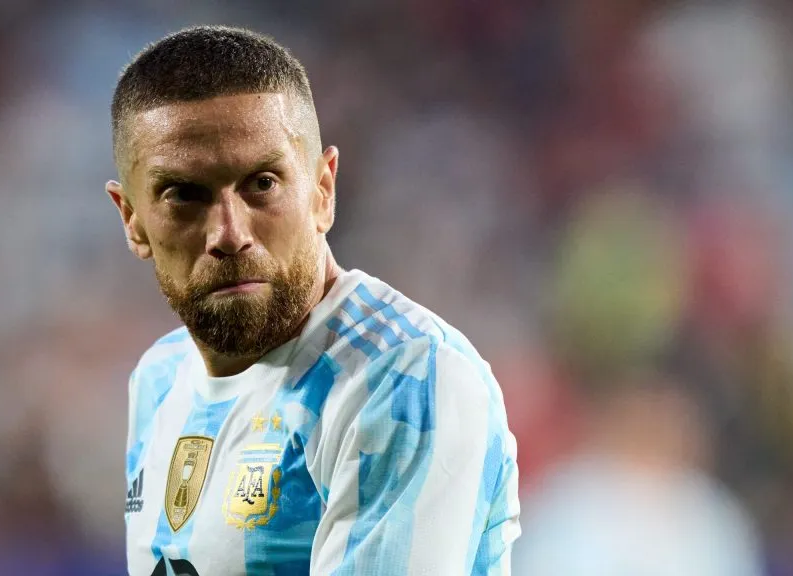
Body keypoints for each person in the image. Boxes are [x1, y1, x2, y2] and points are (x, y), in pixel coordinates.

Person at [107, 26, 519, 576]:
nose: (229, 233)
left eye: (262, 183)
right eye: (184, 194)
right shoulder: (159, 379)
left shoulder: (402, 380)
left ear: (323, 190)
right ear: (132, 219)